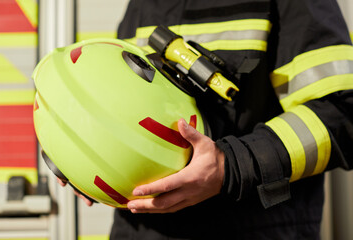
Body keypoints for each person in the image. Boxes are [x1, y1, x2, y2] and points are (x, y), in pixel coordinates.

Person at [72, 0, 353, 239]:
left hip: (254, 228)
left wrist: (228, 166)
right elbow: (123, 105)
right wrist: (80, 153)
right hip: (139, 230)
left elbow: (342, 111)